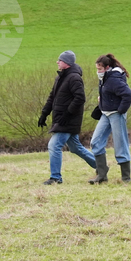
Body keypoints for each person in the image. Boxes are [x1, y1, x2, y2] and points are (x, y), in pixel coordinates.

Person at [39, 50, 95, 185]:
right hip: (61, 119)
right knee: (76, 148)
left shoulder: (74, 78)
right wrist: (44, 114)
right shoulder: (60, 78)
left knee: (54, 145)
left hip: (68, 120)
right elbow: (52, 97)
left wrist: (67, 114)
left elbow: (80, 98)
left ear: (67, 63)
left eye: (60, 60)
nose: (57, 62)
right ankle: (102, 166)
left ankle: (55, 177)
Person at [87, 53, 131, 184]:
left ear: (107, 67)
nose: (98, 72)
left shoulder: (114, 79)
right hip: (105, 113)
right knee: (95, 142)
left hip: (116, 114)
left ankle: (126, 178)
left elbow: (128, 95)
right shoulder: (104, 78)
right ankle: (102, 175)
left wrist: (120, 110)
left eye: (100, 69)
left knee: (120, 145)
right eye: (97, 69)